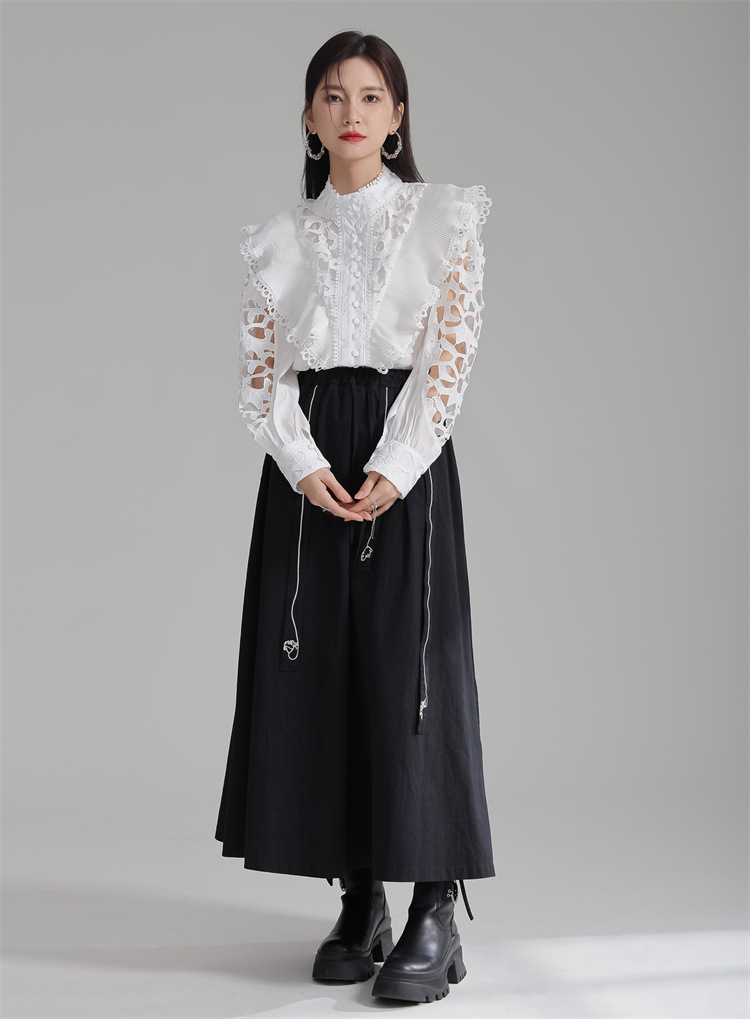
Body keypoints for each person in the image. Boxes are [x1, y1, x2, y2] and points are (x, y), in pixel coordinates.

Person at [214, 30, 495, 1004]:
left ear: (398, 115)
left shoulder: (441, 219)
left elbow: (449, 355)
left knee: (411, 672)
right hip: (307, 471)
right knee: (325, 669)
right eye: (332, 96)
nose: (351, 112)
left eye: (370, 96)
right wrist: (301, 463)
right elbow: (262, 376)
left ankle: (434, 907)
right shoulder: (276, 240)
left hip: (402, 453)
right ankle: (361, 895)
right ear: (308, 116)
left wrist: (398, 461)